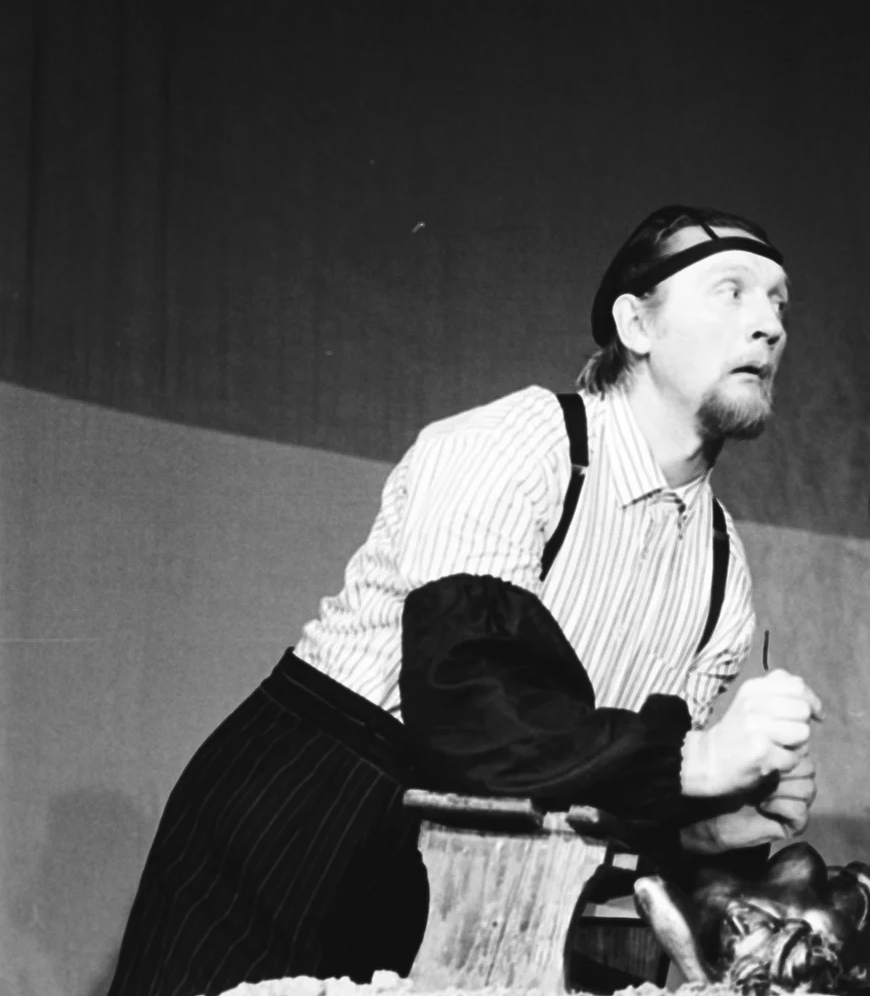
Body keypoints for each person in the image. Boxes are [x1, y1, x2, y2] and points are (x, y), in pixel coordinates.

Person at [109, 204, 824, 996]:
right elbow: (472, 711)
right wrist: (697, 761)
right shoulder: (518, 444)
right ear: (637, 325)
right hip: (305, 820)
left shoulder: (724, 566)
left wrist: (704, 826)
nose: (768, 325)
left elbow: (581, 774)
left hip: (471, 878)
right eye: (732, 290)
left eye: (779, 301)